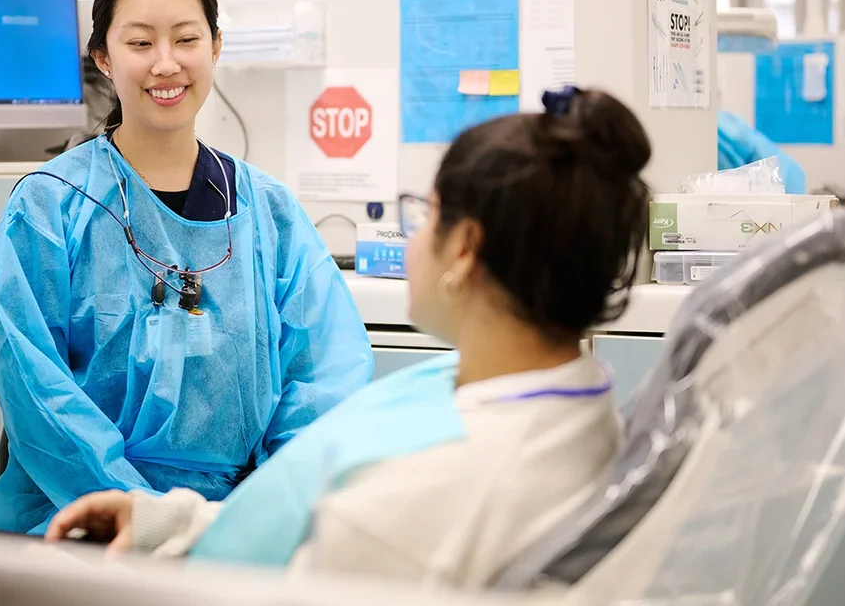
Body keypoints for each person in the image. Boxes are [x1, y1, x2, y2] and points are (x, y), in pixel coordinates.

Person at [45, 86, 651, 590]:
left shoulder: (429, 492)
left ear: (464, 250)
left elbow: (305, 563)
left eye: (425, 213)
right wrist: (166, 521)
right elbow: (304, 520)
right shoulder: (556, 396)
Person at [0, 0, 374, 535]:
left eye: (186, 39)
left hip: (235, 520)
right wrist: (141, 511)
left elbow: (326, 380)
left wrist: (258, 511)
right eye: (140, 43)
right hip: (83, 515)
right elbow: (37, 393)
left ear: (215, 46)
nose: (166, 64)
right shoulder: (50, 206)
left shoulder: (270, 214)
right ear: (103, 57)